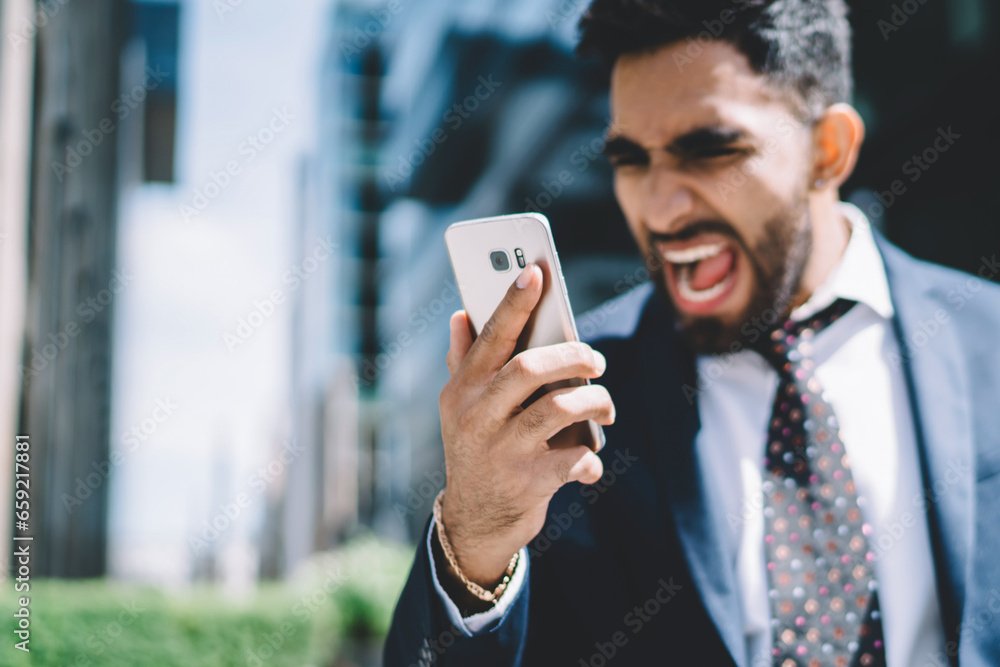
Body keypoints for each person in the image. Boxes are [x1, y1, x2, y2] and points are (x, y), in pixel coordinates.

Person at [384, 1, 1000, 665]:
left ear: (829, 151)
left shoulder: (985, 340)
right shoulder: (571, 399)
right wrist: (476, 542)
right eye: (631, 159)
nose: (660, 208)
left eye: (711, 150)